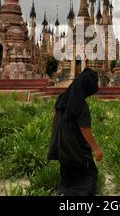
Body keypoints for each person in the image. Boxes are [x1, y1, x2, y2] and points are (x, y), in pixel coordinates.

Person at [47, 68, 103, 196]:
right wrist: (96, 149)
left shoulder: (62, 98)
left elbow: (54, 118)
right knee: (90, 174)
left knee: (67, 172)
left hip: (61, 143)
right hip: (75, 146)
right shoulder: (81, 105)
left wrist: (57, 137)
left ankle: (64, 192)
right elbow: (84, 129)